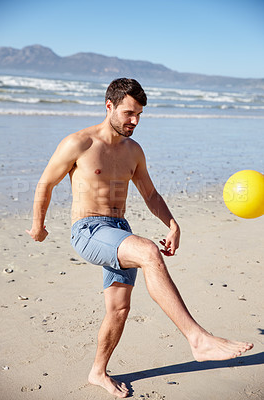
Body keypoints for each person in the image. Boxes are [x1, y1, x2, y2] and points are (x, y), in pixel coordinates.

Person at [27, 78, 253, 398]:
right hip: (88, 230)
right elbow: (45, 184)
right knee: (148, 252)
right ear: (109, 106)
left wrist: (173, 225)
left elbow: (150, 193)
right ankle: (198, 339)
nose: (135, 121)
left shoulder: (134, 151)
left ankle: (97, 372)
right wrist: (39, 225)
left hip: (119, 230)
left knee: (119, 309)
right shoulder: (79, 143)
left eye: (139, 115)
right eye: (129, 113)